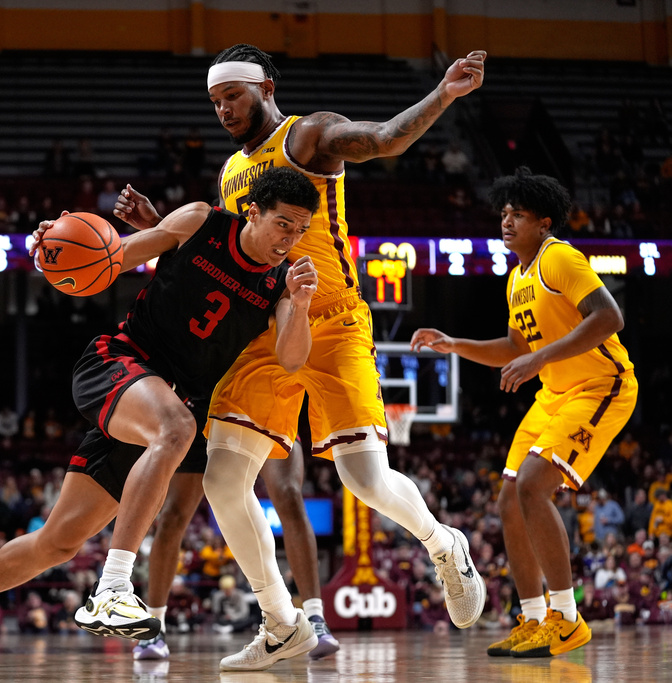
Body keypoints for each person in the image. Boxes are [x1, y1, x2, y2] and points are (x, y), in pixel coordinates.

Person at [114, 43, 488, 671]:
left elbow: (387, 138)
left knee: (362, 479)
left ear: (264, 86)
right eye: (214, 102)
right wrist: (163, 233)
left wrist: (443, 95)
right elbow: (229, 257)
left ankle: (444, 543)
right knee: (223, 481)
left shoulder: (308, 136)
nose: (223, 110)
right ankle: (282, 622)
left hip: (335, 322)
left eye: (232, 96)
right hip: (267, 329)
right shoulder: (233, 172)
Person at [0, 166, 322, 672]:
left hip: (167, 405)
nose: (291, 238)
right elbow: (113, 257)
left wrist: (302, 305)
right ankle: (113, 585)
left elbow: (290, 357)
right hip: (120, 363)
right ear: (253, 211)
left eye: (301, 229)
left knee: (57, 542)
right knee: (177, 428)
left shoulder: (285, 280)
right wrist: (54, 248)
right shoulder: (201, 221)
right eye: (284, 224)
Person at [410, 167, 638, 657]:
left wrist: (539, 357)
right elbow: (516, 344)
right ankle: (533, 617)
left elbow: (609, 317)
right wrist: (455, 345)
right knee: (508, 501)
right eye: (504, 213)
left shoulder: (559, 258)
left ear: (545, 223)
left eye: (519, 214)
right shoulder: (517, 277)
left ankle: (567, 619)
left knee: (534, 485)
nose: (507, 221)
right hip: (555, 392)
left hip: (601, 385)